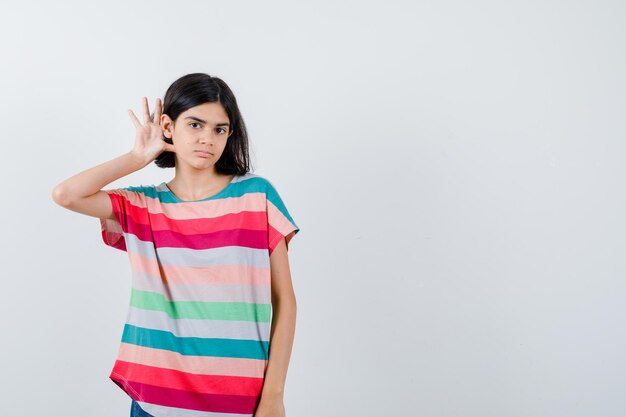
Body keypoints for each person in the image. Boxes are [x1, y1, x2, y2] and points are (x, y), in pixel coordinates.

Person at [51, 73, 301, 417]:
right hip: (154, 399)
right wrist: (137, 157)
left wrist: (274, 395)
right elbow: (66, 194)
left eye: (220, 129)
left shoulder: (257, 197)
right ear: (168, 126)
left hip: (240, 398)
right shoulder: (144, 204)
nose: (207, 139)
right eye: (195, 124)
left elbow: (285, 301)